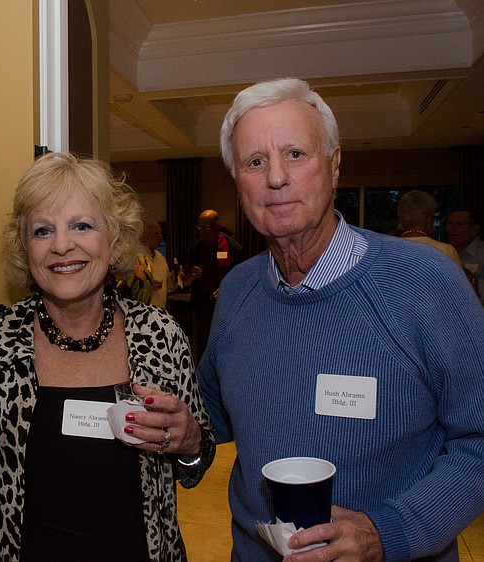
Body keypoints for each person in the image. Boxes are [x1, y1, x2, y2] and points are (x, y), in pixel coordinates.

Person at [199, 77, 484, 562]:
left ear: (333, 167)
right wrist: (180, 432)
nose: (275, 178)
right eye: (254, 162)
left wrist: (385, 533)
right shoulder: (238, 291)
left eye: (295, 154)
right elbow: (213, 415)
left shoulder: (425, 282)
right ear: (238, 183)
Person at [0, 152, 215, 562]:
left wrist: (190, 443)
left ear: (114, 239)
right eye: (43, 230)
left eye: (82, 225)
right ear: (25, 248)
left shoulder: (160, 334)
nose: (62, 245)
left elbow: (195, 464)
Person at [182, 209, 244, 361]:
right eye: (201, 227)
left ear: (218, 224)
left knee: (225, 347)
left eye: (207, 226)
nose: (204, 231)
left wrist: (226, 289)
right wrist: (192, 275)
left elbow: (243, 281)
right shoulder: (195, 249)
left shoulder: (234, 249)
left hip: (226, 307)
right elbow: (184, 281)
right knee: (201, 349)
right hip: (202, 307)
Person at [396, 190, 463, 267]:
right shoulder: (446, 251)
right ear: (429, 220)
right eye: (433, 217)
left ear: (401, 219)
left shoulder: (387, 251)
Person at [447, 207, 484, 303]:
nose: (452, 228)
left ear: (474, 230)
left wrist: (472, 279)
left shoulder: (481, 254)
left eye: (459, 224)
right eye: (450, 223)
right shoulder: (444, 251)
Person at [142, 220, 171, 308]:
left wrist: (173, 280)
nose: (161, 237)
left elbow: (168, 286)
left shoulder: (161, 257)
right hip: (142, 313)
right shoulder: (134, 258)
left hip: (160, 312)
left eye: (161, 233)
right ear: (145, 235)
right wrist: (147, 285)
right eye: (156, 233)